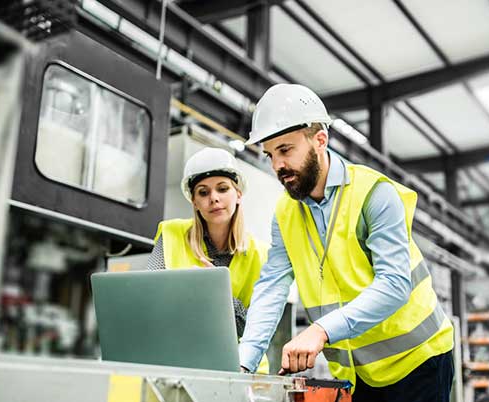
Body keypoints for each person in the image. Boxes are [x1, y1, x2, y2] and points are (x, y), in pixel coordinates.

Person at [238, 84, 454, 401]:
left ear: (320, 141)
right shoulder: (285, 213)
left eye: (285, 150)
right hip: (360, 373)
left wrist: (321, 331)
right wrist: (244, 364)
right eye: (270, 155)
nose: (277, 166)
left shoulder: (374, 194)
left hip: (420, 361)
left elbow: (394, 284)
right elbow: (272, 286)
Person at [146, 147, 269, 374]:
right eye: (203, 192)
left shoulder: (261, 254)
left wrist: (218, 292)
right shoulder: (171, 235)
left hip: (242, 370)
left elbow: (256, 327)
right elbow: (149, 302)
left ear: (238, 194)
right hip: (180, 363)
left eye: (223, 189)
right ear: (194, 202)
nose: (214, 198)